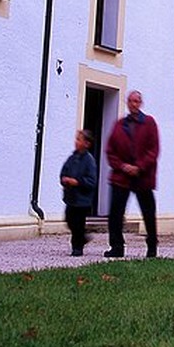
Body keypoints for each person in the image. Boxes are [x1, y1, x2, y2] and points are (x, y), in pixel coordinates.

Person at [105, 90, 160, 259]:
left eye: (137, 101)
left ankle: (152, 246)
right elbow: (110, 150)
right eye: (131, 101)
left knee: (148, 213)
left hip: (142, 177)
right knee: (115, 213)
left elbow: (153, 150)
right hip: (122, 177)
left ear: (140, 103)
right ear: (127, 103)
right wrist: (122, 166)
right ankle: (116, 246)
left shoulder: (149, 123)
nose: (134, 104)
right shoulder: (119, 125)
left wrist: (139, 167)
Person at [60, 128, 98, 256]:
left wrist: (78, 182)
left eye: (79, 139)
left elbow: (92, 181)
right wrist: (64, 179)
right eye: (76, 139)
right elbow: (64, 171)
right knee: (69, 219)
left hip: (83, 200)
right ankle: (82, 237)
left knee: (78, 223)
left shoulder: (89, 161)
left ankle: (77, 247)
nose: (76, 142)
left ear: (87, 144)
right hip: (71, 197)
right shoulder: (72, 158)